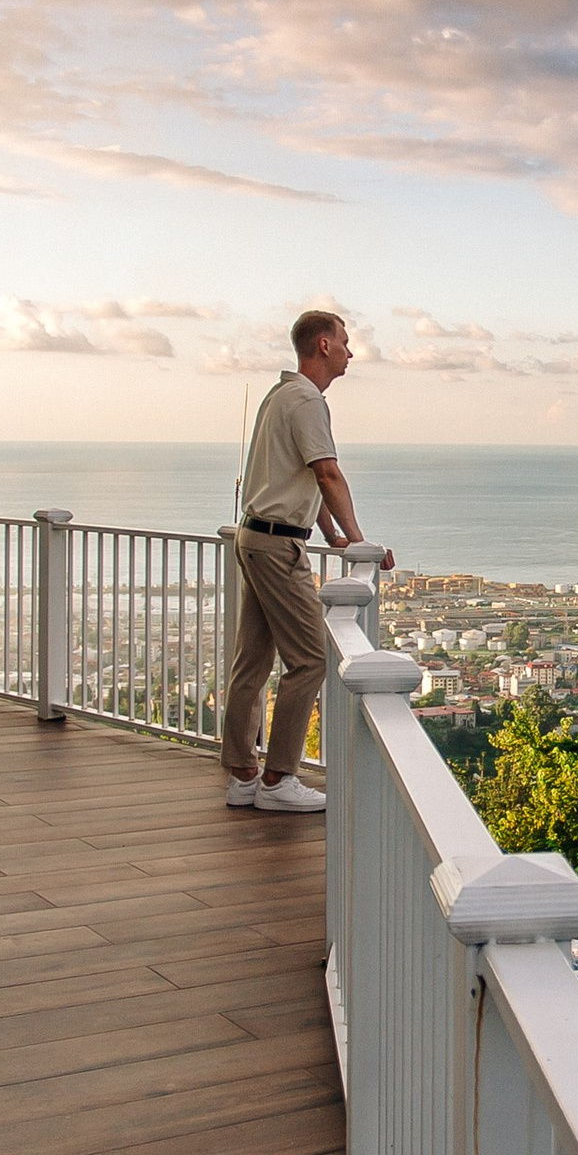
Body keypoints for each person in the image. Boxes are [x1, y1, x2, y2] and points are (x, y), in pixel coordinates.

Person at [223, 309, 392, 812]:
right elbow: (326, 474)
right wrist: (361, 542)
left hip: (256, 535)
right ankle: (278, 780)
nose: (350, 351)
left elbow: (294, 475)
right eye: (344, 341)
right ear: (323, 345)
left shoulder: (281, 396)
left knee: (251, 662)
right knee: (311, 659)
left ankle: (243, 776)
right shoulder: (306, 401)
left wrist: (331, 534)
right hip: (278, 547)